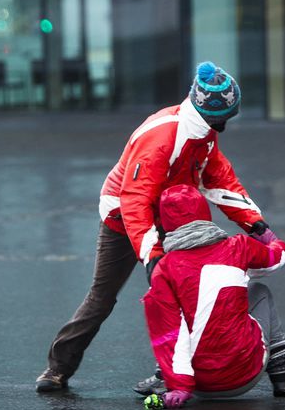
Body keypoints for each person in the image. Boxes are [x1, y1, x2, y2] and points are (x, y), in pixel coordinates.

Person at [36, 62, 269, 393]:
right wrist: (152, 255)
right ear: (209, 113)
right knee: (102, 298)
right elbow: (134, 200)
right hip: (122, 218)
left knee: (187, 296)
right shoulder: (162, 137)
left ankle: (169, 375)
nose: (225, 126)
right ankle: (57, 369)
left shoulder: (204, 133)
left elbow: (218, 178)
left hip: (174, 218)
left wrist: (255, 222)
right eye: (224, 119)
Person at [143, 184, 285, 409]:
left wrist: (180, 386)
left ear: (166, 223)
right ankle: (283, 377)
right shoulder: (238, 246)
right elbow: (275, 260)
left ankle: (164, 378)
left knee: (170, 317)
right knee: (259, 291)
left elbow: (168, 333)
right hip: (245, 375)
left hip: (197, 385)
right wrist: (272, 239)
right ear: (204, 212)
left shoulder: (165, 269)